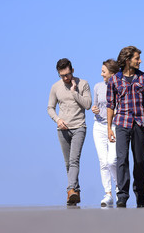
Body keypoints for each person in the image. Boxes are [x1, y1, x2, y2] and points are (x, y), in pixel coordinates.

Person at [106, 46, 144, 208]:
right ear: (128, 60)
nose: (140, 61)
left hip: (140, 123)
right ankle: (122, 195)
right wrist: (108, 128)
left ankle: (140, 194)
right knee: (121, 160)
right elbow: (110, 105)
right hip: (121, 123)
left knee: (140, 161)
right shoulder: (114, 80)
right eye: (137, 58)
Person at [47, 58, 92, 205]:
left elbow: (88, 105)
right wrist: (58, 120)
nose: (65, 78)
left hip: (79, 127)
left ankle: (70, 189)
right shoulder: (55, 87)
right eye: (62, 75)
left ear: (72, 70)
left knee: (74, 161)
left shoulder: (83, 84)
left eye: (67, 74)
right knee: (68, 164)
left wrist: (74, 92)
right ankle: (75, 193)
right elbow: (50, 108)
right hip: (62, 129)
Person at [92, 59, 120, 207]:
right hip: (99, 127)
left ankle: (118, 187)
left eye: (104, 71)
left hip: (114, 126)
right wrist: (94, 109)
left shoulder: (120, 86)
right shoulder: (97, 87)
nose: (101, 73)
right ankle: (108, 193)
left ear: (112, 73)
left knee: (112, 161)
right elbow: (95, 106)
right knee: (103, 161)